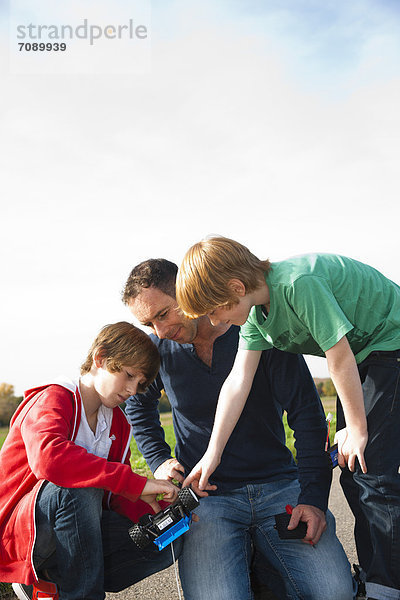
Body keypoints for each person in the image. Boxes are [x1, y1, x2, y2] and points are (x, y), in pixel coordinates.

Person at [176, 236, 400, 600]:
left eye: (215, 311)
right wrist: (212, 453)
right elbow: (238, 382)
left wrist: (357, 428)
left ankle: (387, 589)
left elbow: (337, 355)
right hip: (364, 358)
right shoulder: (256, 319)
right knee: (354, 470)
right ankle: (378, 579)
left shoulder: (297, 284)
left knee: (373, 472)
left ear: (236, 287)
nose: (214, 321)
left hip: (391, 345)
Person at [122, 259, 355, 600]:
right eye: (148, 323)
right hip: (206, 498)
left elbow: (307, 416)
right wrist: (158, 458)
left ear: (185, 292)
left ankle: (264, 567)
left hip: (279, 488)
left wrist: (314, 500)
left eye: (163, 314)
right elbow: (138, 408)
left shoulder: (260, 329)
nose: (159, 330)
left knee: (334, 593)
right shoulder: (158, 351)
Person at [0, 322, 183, 600]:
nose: (133, 389)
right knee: (77, 486)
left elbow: (113, 496)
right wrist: (134, 482)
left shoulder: (117, 424)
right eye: (129, 375)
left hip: (75, 532)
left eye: (141, 383)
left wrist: (158, 508)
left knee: (163, 538)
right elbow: (49, 460)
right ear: (100, 358)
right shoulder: (52, 398)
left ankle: (52, 585)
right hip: (18, 533)